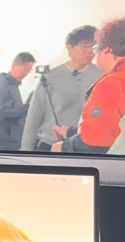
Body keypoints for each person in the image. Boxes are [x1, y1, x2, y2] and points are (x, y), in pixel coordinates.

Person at [21, 25, 101, 151]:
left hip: (83, 147)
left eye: (94, 46)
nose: (90, 51)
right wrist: (26, 149)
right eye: (85, 46)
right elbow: (34, 117)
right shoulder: (50, 77)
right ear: (69, 47)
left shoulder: (101, 75)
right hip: (50, 145)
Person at [51, 17, 125, 154]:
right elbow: (116, 129)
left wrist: (64, 147)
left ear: (107, 49)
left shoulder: (112, 83)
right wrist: (71, 132)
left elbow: (96, 142)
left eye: (95, 49)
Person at [0, 52, 36, 150]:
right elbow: (4, 113)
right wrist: (29, 107)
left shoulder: (12, 85)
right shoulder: (3, 85)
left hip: (11, 142)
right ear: (15, 66)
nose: (27, 73)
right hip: (4, 145)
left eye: (29, 70)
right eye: (26, 69)